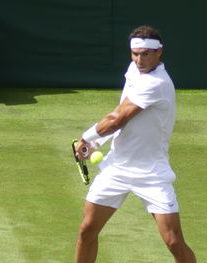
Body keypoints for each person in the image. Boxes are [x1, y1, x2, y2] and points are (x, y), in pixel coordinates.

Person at [74, 25, 197, 263]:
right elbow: (119, 113)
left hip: (152, 174)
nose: (139, 59)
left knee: (173, 241)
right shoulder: (134, 71)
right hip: (117, 168)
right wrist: (96, 142)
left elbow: (118, 119)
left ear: (159, 52)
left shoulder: (157, 83)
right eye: (135, 54)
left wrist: (88, 139)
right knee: (87, 230)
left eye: (145, 54)